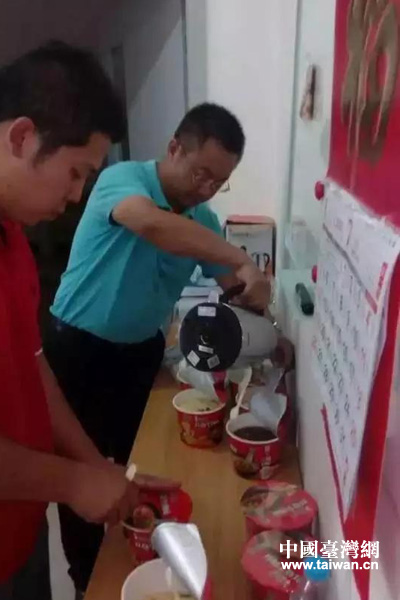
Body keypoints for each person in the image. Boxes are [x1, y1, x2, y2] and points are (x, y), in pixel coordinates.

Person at [45, 102, 272, 590]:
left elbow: (235, 287)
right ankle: (87, 580)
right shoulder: (123, 181)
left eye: (219, 182)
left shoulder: (202, 219)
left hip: (139, 353)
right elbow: (150, 225)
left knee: (136, 466)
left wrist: (263, 307)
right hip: (77, 350)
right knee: (83, 474)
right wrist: (239, 256)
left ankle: (137, 558)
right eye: (201, 174)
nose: (206, 189)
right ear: (174, 148)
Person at [0, 41, 178, 600]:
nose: (77, 195)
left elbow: (34, 367)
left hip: (20, 525)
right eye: (76, 173)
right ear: (22, 138)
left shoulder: (13, 238)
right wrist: (73, 481)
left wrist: (97, 467)